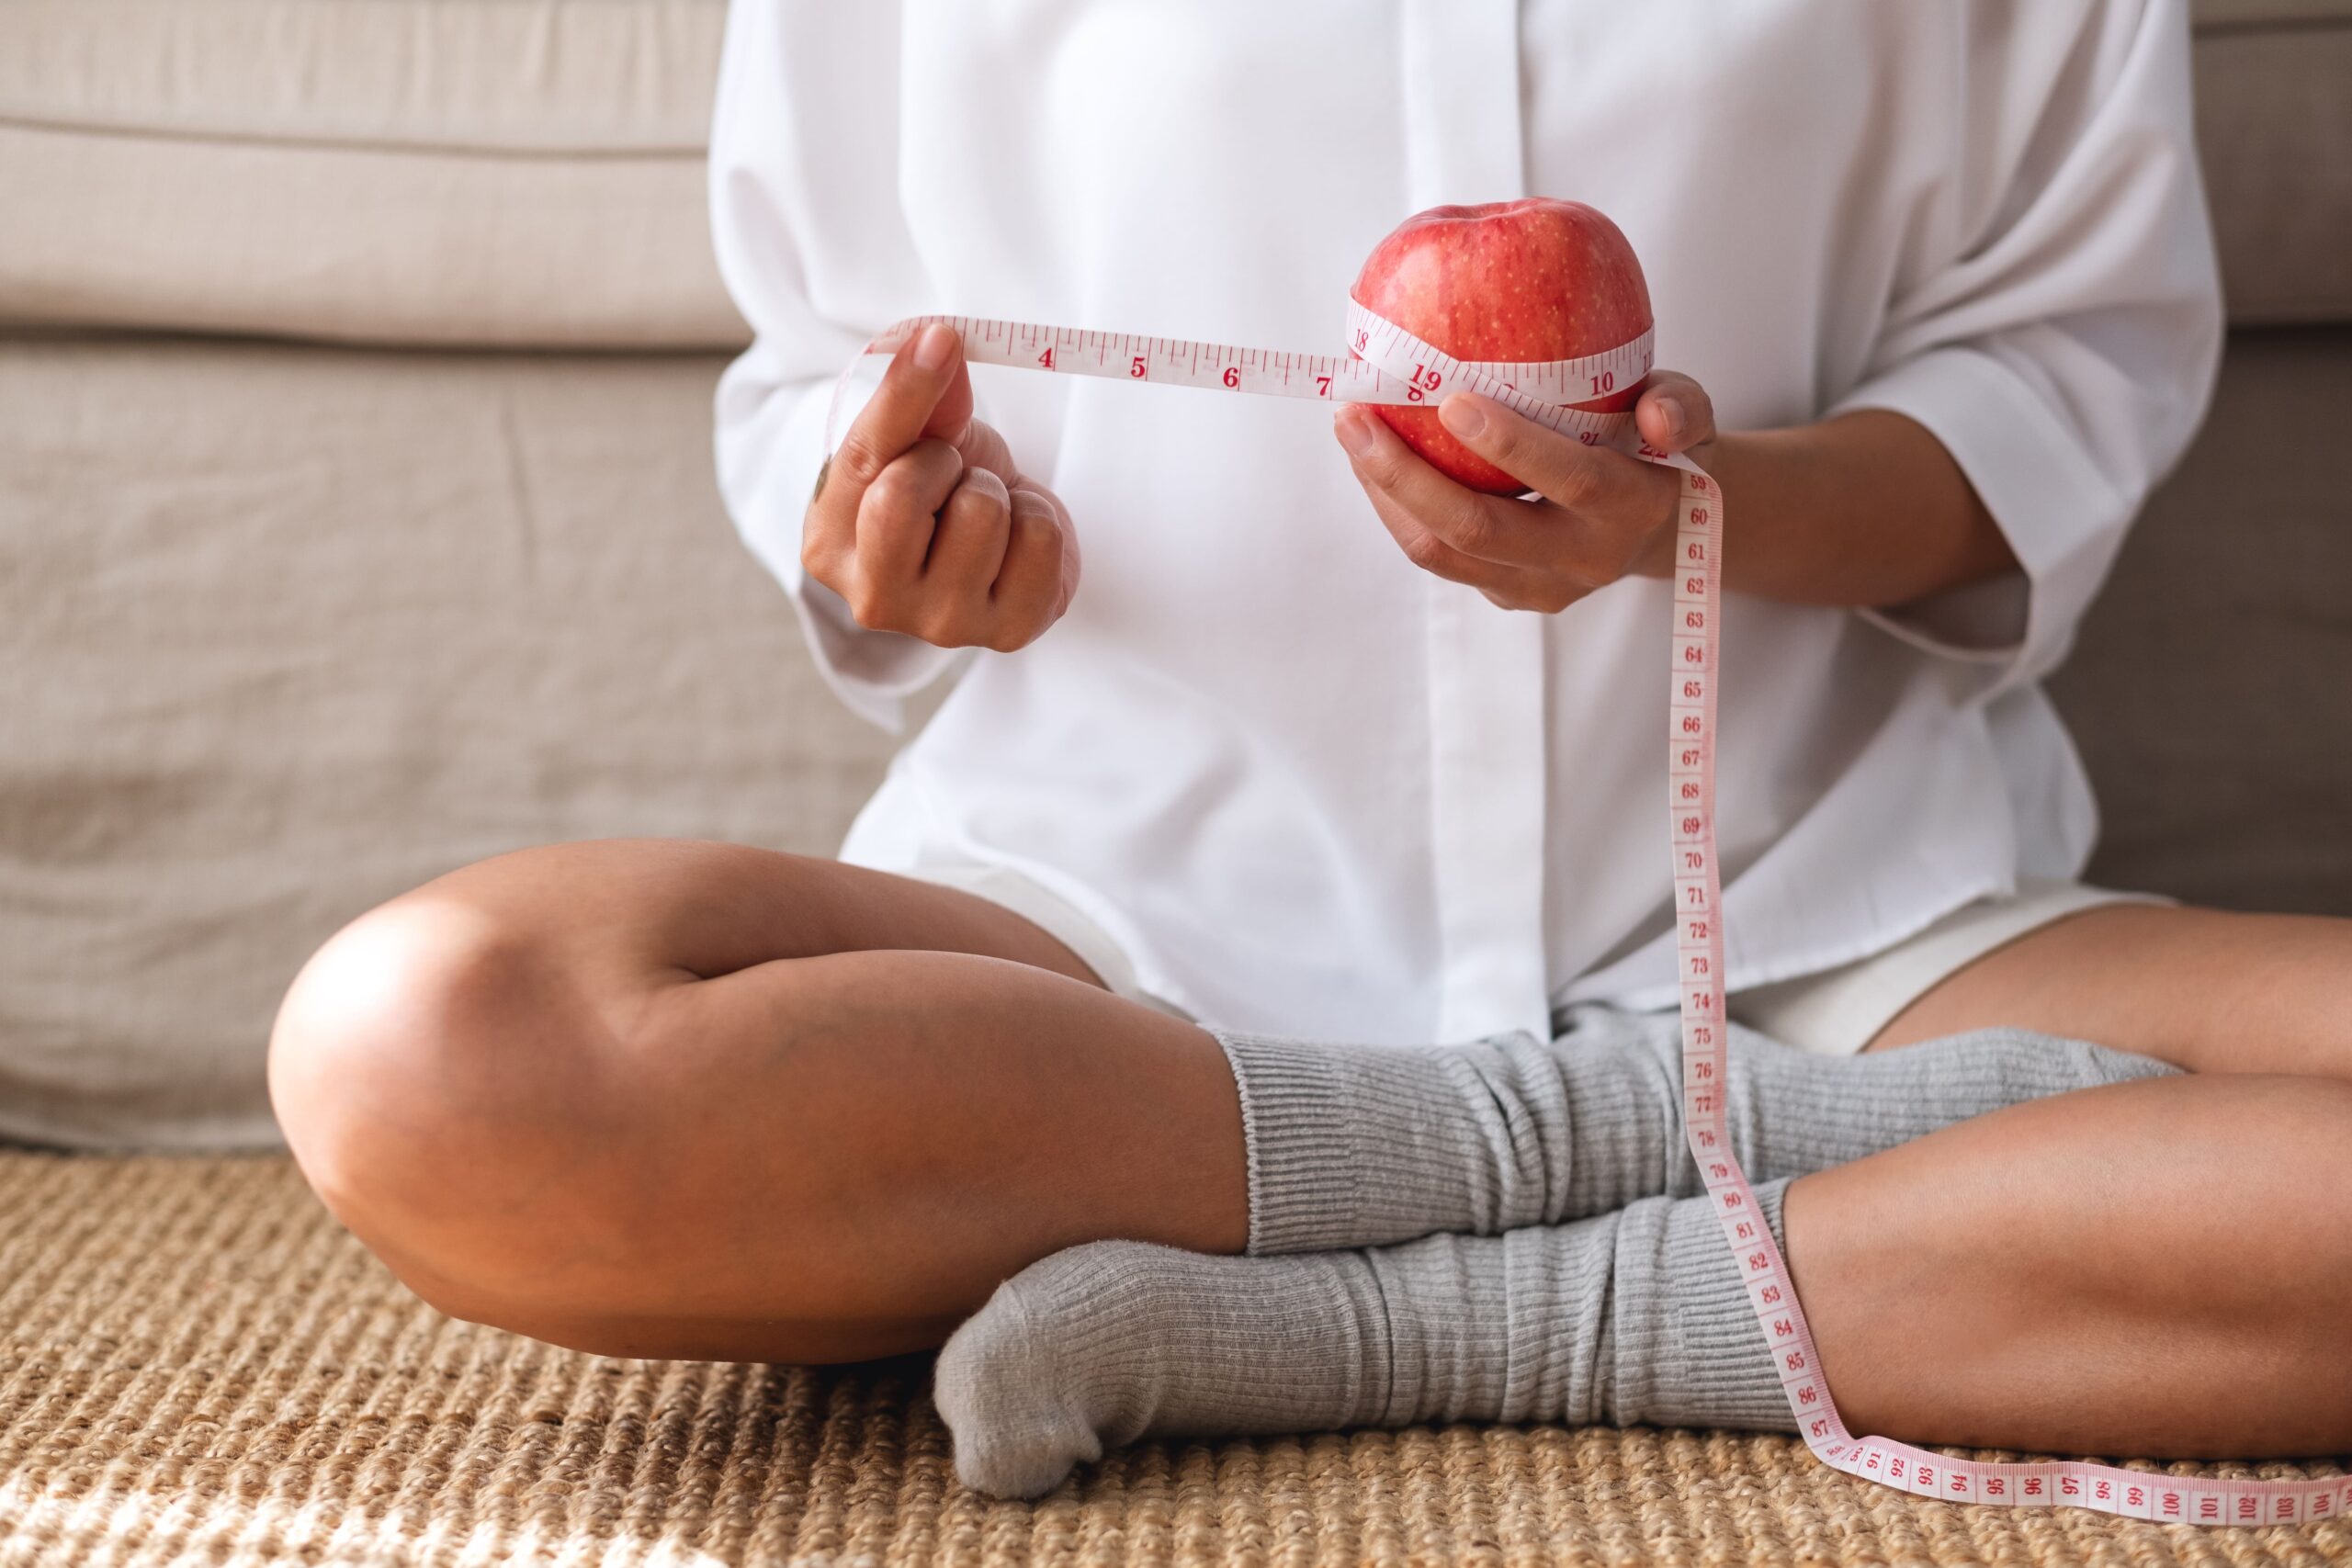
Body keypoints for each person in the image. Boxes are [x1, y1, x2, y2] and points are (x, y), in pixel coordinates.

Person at [266, 0, 2352, 1502]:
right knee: (427, 1048)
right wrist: (899, 531)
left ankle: (1358, 1316)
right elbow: (820, 357)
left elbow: (2051, 363)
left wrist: (1692, 509)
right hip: (1110, 964)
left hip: (1825, 917)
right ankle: (1596, 1148)